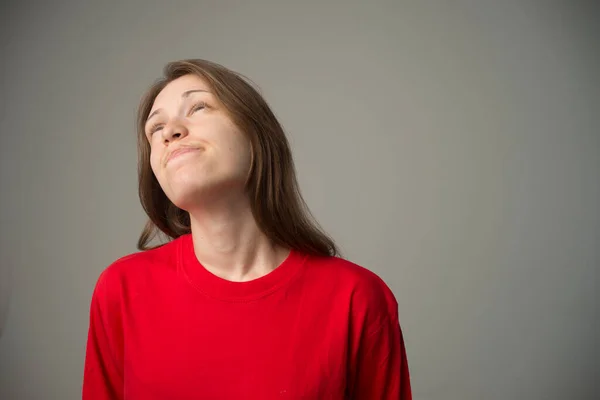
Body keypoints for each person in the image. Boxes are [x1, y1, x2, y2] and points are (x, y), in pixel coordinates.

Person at [82, 59, 412, 399]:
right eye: (155, 129)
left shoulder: (356, 298)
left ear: (256, 135)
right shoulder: (121, 291)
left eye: (198, 107)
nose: (170, 132)